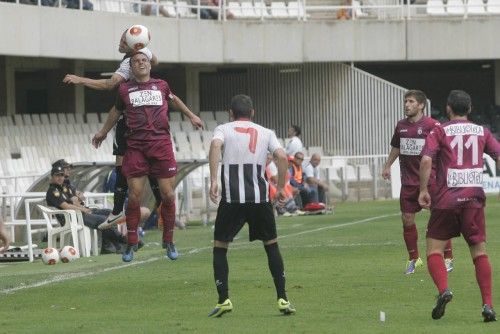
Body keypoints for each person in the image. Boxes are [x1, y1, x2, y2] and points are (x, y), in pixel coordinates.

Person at [92, 51, 203, 262]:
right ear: (131, 68)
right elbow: (115, 112)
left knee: (168, 195)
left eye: (144, 60)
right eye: (136, 61)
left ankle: (168, 240)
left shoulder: (161, 85)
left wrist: (191, 115)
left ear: (150, 66)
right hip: (136, 147)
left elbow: (174, 99)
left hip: (160, 145)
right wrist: (103, 132)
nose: (141, 63)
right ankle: (131, 242)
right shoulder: (124, 90)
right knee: (134, 195)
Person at [63, 30, 162, 231]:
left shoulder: (129, 63)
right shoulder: (141, 55)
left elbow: (110, 84)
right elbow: (156, 61)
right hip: (140, 117)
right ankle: (131, 209)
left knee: (124, 163)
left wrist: (80, 79)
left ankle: (123, 209)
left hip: (133, 120)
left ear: (131, 43)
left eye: (122, 40)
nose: (119, 42)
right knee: (129, 164)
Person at [207, 94, 295, 317]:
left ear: (231, 113)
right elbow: (283, 157)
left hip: (232, 199)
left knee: (220, 246)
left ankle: (223, 299)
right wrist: (283, 187)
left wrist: (214, 179)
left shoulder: (223, 129)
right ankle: (283, 298)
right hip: (259, 199)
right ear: (253, 112)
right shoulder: (266, 132)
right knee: (271, 246)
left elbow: (215, 146)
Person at [418, 90, 500, 322]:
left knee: (434, 250)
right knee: (479, 253)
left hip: (445, 200)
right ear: (470, 108)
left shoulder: (440, 130)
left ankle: (444, 290)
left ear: (448, 109)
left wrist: (424, 190)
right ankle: (488, 306)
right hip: (473, 200)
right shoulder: (482, 131)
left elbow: (426, 160)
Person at [382, 89, 454, 275]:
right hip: (408, 181)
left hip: (430, 180)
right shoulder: (401, 126)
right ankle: (414, 259)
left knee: (439, 218)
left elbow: (445, 149)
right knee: (406, 219)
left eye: (411, 101)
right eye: (406, 101)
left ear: (421, 105)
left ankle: (448, 258)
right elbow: (397, 146)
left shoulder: (433, 125)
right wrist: (388, 165)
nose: (407, 104)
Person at [45, 165, 127, 254]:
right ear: (52, 177)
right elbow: (66, 206)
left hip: (79, 212)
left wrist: (79, 198)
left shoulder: (64, 188)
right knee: (103, 220)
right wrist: (82, 209)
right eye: (57, 175)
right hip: (71, 217)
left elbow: (78, 199)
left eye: (62, 175)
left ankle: (108, 246)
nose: (60, 178)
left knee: (110, 214)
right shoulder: (53, 191)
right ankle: (122, 240)